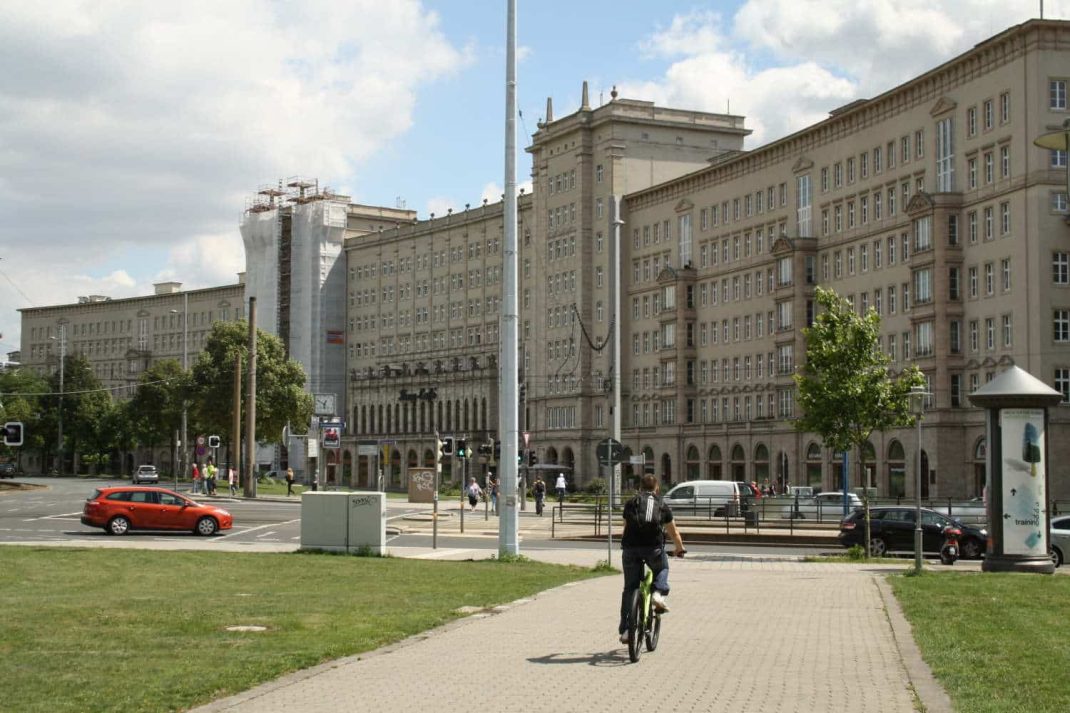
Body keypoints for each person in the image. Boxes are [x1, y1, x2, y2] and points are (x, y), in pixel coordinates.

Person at [618, 474, 685, 645]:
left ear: (640, 488)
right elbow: (674, 533)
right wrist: (679, 549)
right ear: (657, 488)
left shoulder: (631, 503)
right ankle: (658, 592)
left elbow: (625, 528)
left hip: (630, 549)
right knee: (662, 568)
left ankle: (626, 630)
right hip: (653, 549)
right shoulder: (661, 504)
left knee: (630, 588)